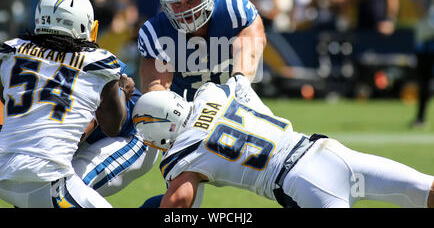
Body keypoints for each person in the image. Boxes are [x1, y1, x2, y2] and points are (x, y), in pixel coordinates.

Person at [133, 74, 434, 208]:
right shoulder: (211, 93)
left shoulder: (182, 156)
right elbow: (241, 83)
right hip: (324, 150)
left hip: (302, 184)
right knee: (424, 189)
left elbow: (181, 199)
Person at [0, 0, 136, 208]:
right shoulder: (98, 62)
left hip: (0, 175)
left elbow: (8, 99)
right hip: (46, 179)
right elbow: (114, 127)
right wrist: (123, 91)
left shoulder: (13, 52)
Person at [138, 0, 267, 102]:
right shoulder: (157, 30)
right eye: (176, 4)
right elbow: (156, 90)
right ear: (166, 5)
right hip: (185, 113)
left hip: (235, 102)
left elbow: (254, 35)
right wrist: (163, 106)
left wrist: (240, 79)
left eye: (191, 0)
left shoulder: (231, 9)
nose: (185, 11)